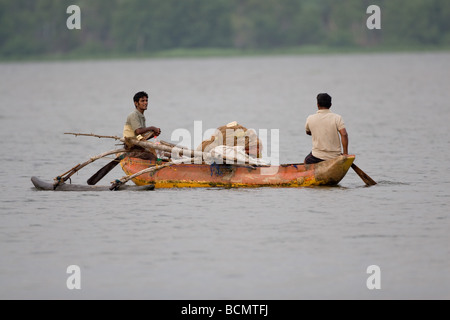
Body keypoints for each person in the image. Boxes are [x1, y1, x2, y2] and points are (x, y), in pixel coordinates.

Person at [304, 93, 348, 164]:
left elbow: (308, 132)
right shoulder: (337, 118)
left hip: (317, 156)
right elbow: (344, 134)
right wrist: (345, 153)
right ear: (330, 105)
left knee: (306, 160)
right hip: (335, 156)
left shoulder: (310, 118)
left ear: (317, 104)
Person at [123, 91, 162, 160]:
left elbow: (141, 137)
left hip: (138, 145)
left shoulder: (141, 116)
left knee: (161, 153)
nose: (145, 103)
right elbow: (138, 131)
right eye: (142, 101)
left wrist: (153, 134)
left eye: (146, 101)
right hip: (131, 146)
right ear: (136, 103)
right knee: (152, 157)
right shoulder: (134, 115)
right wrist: (152, 128)